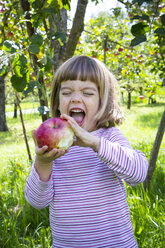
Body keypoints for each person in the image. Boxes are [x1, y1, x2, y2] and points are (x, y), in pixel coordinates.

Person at [25, 55, 148, 248]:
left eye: (87, 93)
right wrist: (43, 162)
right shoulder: (54, 151)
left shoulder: (109, 138)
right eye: (66, 92)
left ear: (103, 101)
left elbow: (138, 173)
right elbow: (37, 201)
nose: (75, 98)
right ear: (57, 101)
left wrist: (95, 143)